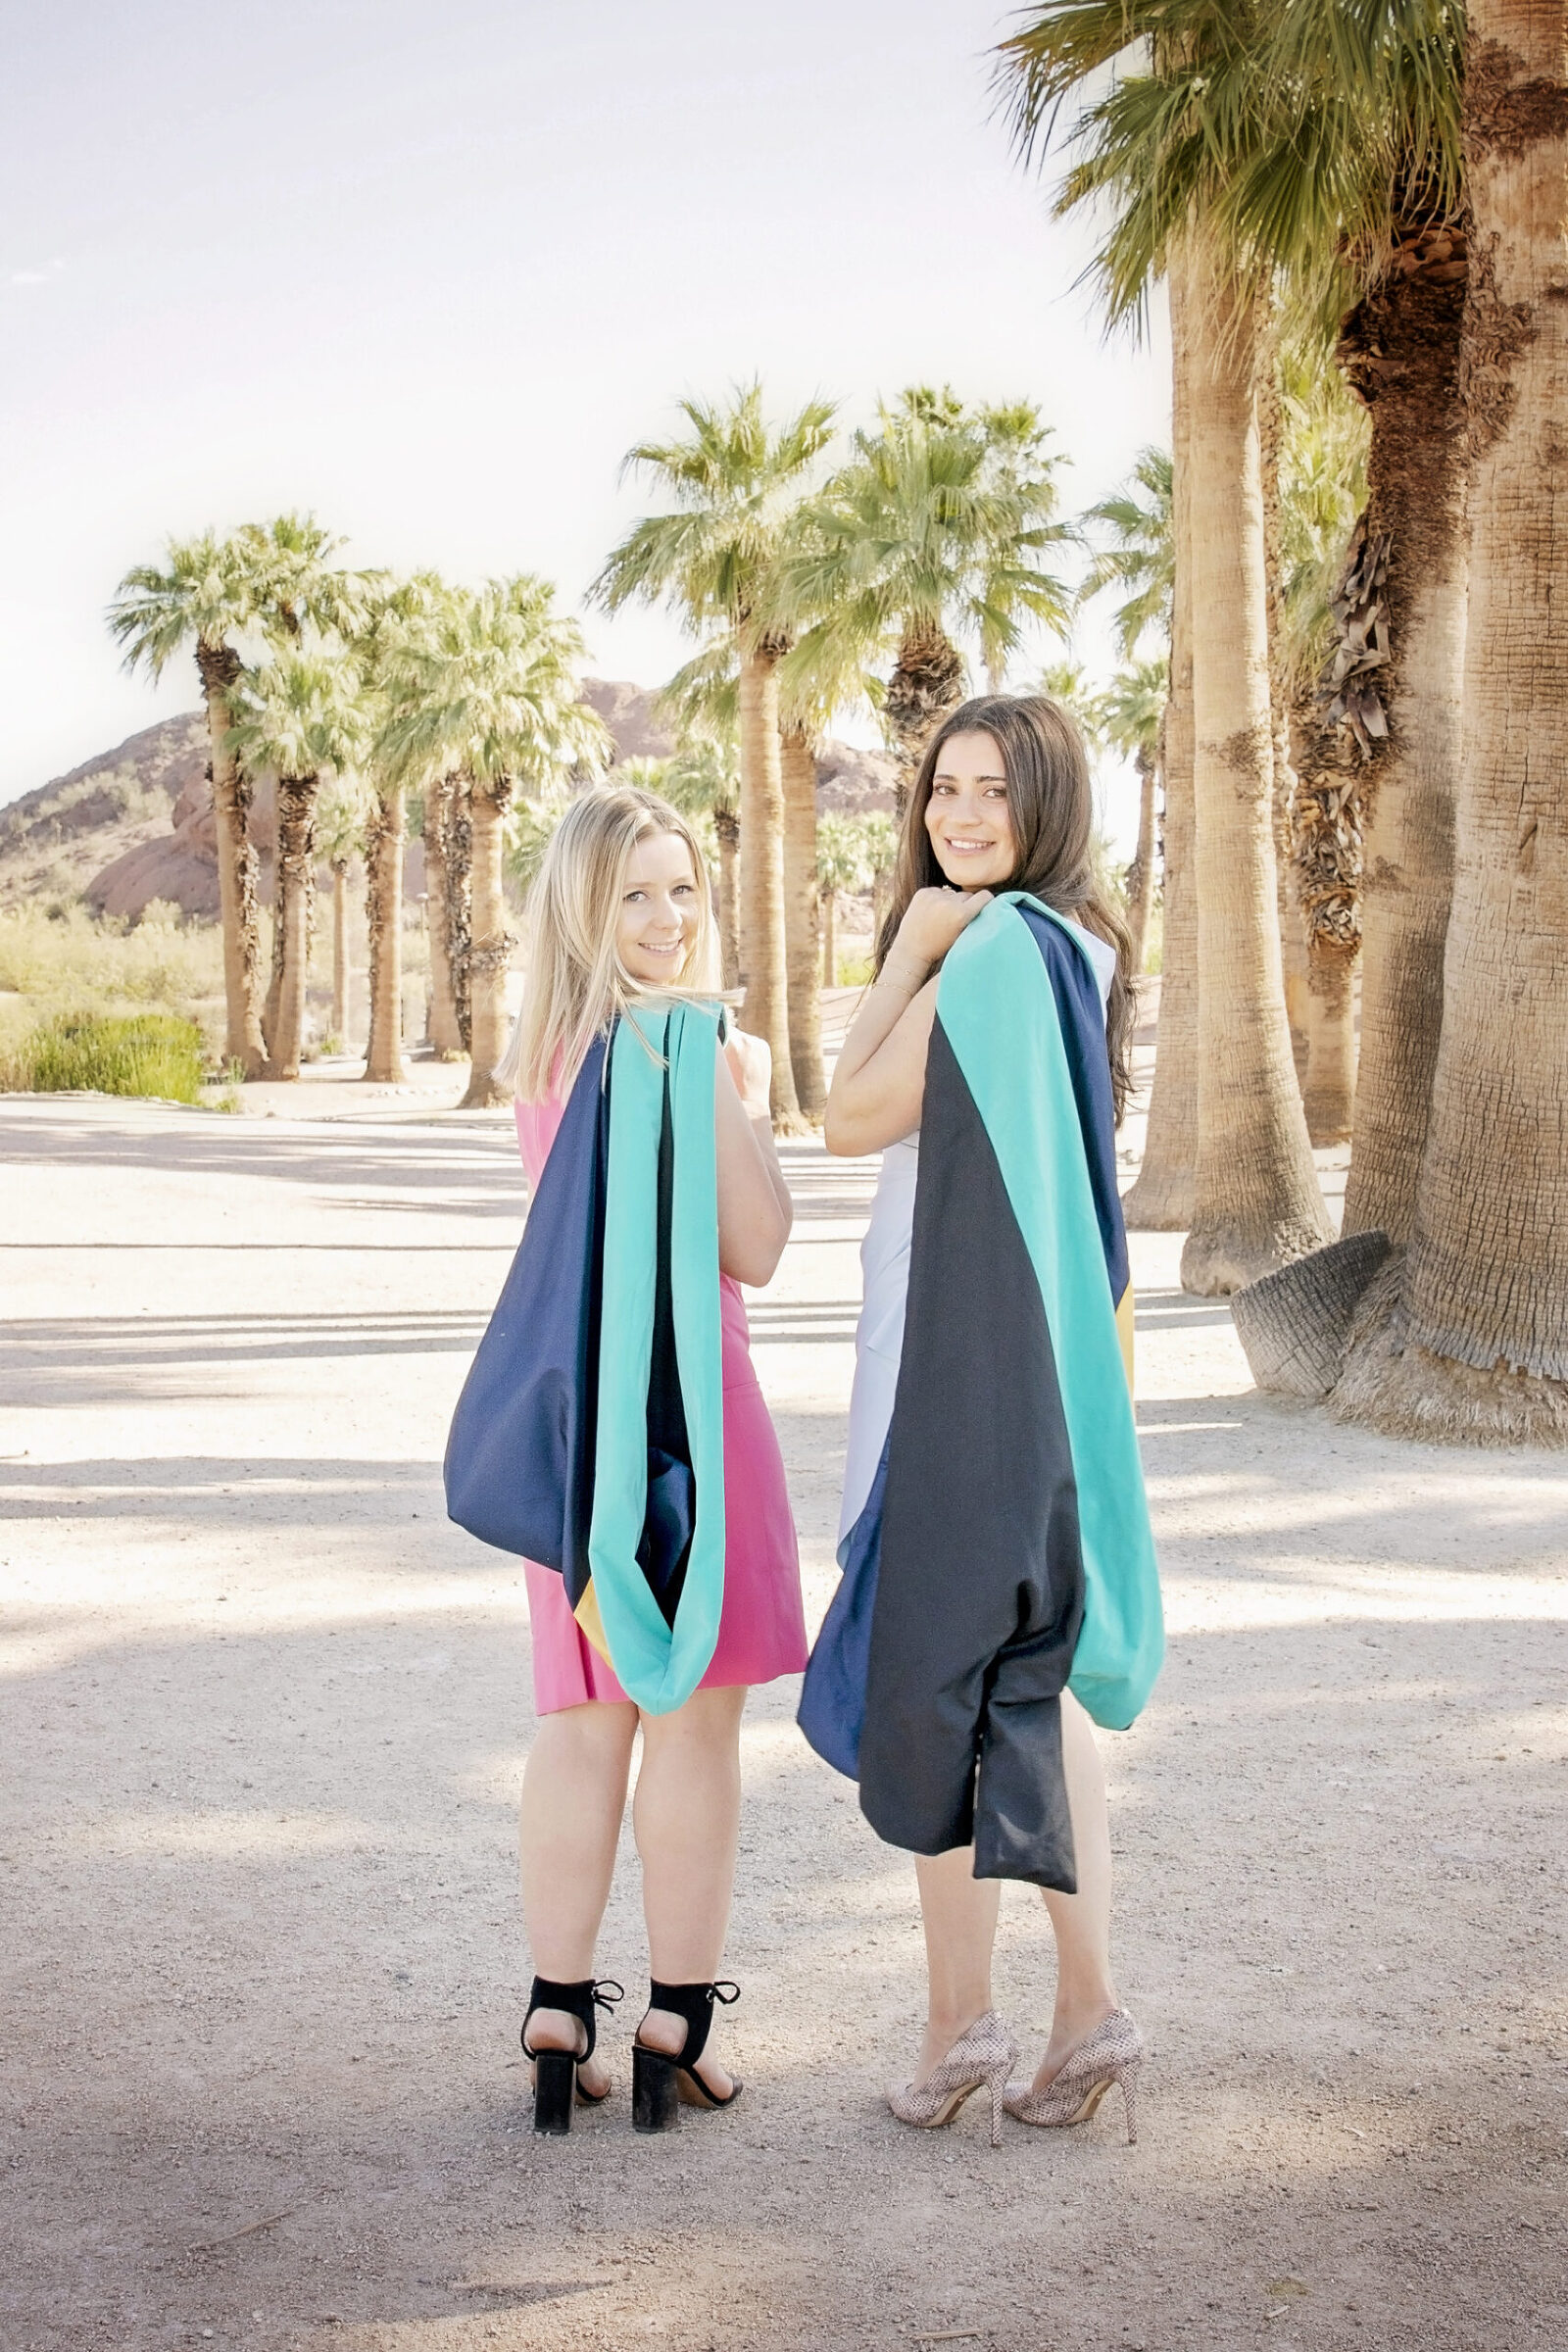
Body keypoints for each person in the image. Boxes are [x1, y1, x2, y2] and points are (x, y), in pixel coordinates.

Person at [800, 696, 1162, 2147]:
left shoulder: (999, 949)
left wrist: (908, 950)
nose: (959, 817)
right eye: (942, 788)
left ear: (1050, 805)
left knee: (943, 1671)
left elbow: (846, 1113)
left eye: (992, 793)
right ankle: (1075, 2015)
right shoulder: (1075, 944)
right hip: (1033, 1357)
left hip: (960, 1361)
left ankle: (973, 2025)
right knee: (1027, 1675)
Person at [469, 784, 806, 2133]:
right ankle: (679, 2020)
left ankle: (558, 2013)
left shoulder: (545, 1057)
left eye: (686, 890)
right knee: (696, 1720)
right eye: (638, 894)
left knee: (579, 1720)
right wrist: (747, 1092)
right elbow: (761, 1246)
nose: (670, 918)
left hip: (576, 1428)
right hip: (694, 1427)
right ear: (585, 908)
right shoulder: (695, 1045)